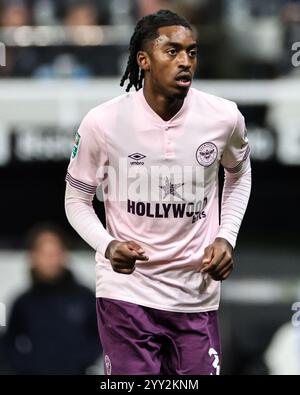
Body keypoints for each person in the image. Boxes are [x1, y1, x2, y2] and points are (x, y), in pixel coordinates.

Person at [65, 9, 251, 375]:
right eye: (173, 51)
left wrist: (226, 237)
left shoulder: (224, 117)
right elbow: (76, 200)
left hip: (195, 292)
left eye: (192, 52)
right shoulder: (102, 123)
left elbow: (239, 175)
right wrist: (108, 245)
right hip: (127, 294)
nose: (185, 61)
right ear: (144, 60)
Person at [3, 223, 101, 375]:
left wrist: (82, 361)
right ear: (33, 256)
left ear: (64, 254)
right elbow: (9, 344)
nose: (51, 260)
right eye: (45, 253)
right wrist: (27, 366)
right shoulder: (23, 302)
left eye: (55, 253)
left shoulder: (84, 297)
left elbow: (100, 336)